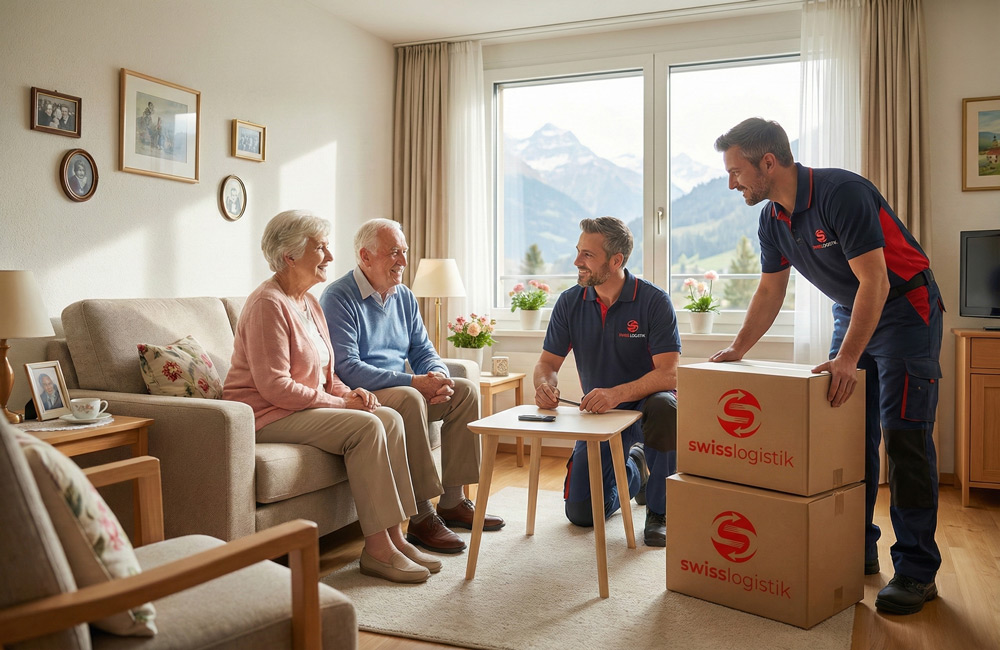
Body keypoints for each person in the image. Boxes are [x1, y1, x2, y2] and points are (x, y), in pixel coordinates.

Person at [711, 118, 943, 615]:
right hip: (852, 309)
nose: (732, 183)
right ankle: (852, 548)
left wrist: (845, 359)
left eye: (736, 172)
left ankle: (917, 571)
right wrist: (738, 349)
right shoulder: (772, 217)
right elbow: (771, 290)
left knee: (904, 438)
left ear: (768, 162)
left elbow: (876, 282)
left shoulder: (842, 193)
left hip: (904, 308)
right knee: (847, 439)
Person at [223, 209, 440, 583]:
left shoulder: (309, 302)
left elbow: (327, 374)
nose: (330, 256)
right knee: (367, 428)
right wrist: (341, 404)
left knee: (387, 416)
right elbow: (275, 386)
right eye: (320, 248)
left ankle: (395, 536)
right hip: (267, 415)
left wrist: (351, 392)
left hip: (297, 407)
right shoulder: (267, 304)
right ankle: (377, 549)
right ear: (289, 256)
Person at [321, 218, 505, 555]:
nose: (403, 262)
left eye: (403, 252)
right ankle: (421, 515)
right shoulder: (338, 297)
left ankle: (453, 501)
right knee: (409, 398)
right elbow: (348, 368)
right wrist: (413, 382)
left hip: (401, 387)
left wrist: (437, 376)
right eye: (394, 253)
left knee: (464, 390)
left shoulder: (404, 296)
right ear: (365, 256)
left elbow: (422, 349)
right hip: (363, 393)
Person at [532, 216, 680, 547]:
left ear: (616, 261)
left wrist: (617, 394)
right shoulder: (570, 302)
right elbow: (546, 363)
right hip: (599, 415)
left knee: (667, 405)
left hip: (646, 412)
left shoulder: (654, 301)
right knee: (583, 514)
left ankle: (661, 512)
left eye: (587, 255)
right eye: (578, 252)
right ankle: (635, 470)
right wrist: (545, 384)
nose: (576, 262)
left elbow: (669, 373)